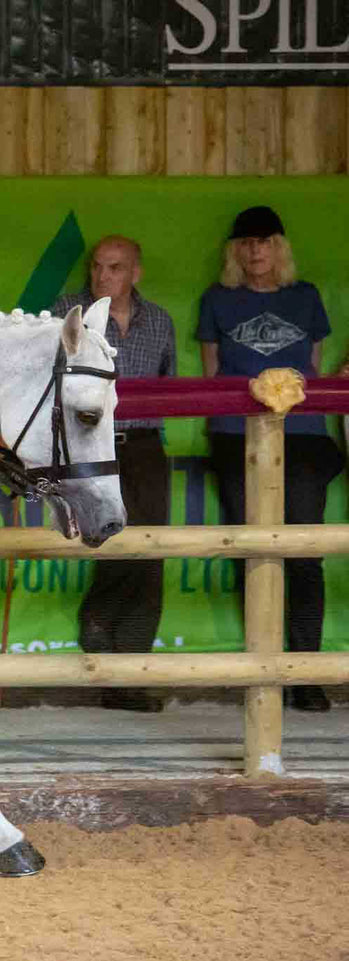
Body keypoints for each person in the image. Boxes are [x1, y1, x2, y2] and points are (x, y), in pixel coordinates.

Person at [198, 205, 339, 713]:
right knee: (254, 552)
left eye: (265, 240)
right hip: (236, 436)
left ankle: (306, 672)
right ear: (235, 251)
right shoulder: (218, 300)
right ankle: (261, 670)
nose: (256, 250)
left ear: (280, 247)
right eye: (246, 242)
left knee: (304, 551)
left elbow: (314, 368)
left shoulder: (305, 299)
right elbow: (214, 374)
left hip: (301, 436)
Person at [53, 236, 177, 712]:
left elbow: (168, 386)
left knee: (151, 553)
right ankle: (100, 635)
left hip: (142, 446)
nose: (104, 277)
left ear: (135, 273)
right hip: (88, 447)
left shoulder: (161, 320)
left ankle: (130, 674)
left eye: (116, 268)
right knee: (112, 542)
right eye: (98, 267)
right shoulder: (69, 312)